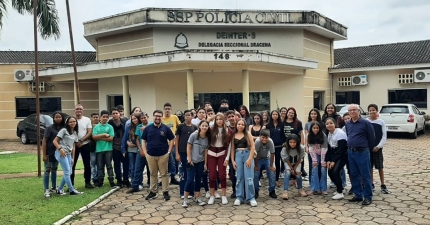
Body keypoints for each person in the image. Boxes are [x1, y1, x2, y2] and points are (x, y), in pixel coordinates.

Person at [345, 104, 375, 206]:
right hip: (351, 152)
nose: (352, 112)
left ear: (359, 111)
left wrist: (368, 150)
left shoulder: (365, 123)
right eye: (350, 110)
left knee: (365, 175)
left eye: (354, 110)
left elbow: (372, 138)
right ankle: (358, 195)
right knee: (354, 174)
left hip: (362, 152)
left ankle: (368, 197)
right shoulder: (348, 124)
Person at [142, 110, 175, 201]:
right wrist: (145, 153)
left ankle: (165, 192)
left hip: (163, 155)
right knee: (153, 174)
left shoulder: (166, 128)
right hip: (150, 155)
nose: (158, 118)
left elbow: (172, 139)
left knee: (164, 174)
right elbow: (143, 141)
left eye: (159, 116)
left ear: (161, 117)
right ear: (153, 117)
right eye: (156, 116)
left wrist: (169, 152)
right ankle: (153, 192)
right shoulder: (148, 129)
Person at [182, 120, 210, 207]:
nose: (204, 127)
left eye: (206, 126)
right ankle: (185, 199)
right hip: (192, 161)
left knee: (198, 179)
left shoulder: (207, 138)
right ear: (199, 126)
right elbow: (188, 147)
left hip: (200, 162)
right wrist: (189, 159)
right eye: (203, 126)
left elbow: (206, 151)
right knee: (190, 180)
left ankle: (197, 197)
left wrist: (205, 163)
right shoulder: (194, 135)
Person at [207, 113, 234, 205]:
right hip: (211, 153)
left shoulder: (228, 130)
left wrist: (227, 158)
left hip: (222, 154)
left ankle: (223, 196)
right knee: (212, 176)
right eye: (217, 119)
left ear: (224, 120)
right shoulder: (211, 130)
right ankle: (212, 195)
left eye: (220, 119)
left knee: (222, 175)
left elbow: (230, 145)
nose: (218, 121)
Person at [53, 116, 83, 195]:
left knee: (69, 172)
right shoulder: (63, 130)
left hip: (69, 154)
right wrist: (60, 149)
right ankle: (71, 190)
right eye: (71, 122)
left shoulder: (75, 133)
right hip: (61, 153)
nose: (73, 123)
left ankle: (59, 189)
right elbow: (55, 141)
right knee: (67, 172)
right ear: (67, 123)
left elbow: (73, 146)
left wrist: (73, 158)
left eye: (74, 121)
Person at [231, 119, 257, 207]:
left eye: (242, 124)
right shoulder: (233, 135)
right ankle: (239, 197)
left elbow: (253, 146)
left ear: (245, 125)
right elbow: (232, 149)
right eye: (239, 124)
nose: (240, 126)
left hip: (247, 154)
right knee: (239, 177)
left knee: (249, 177)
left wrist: (250, 159)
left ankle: (251, 198)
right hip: (238, 155)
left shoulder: (247, 134)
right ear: (236, 125)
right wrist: (233, 160)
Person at [366, 104, 389, 194]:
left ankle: (383, 184)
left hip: (378, 148)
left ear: (377, 111)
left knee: (380, 167)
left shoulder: (381, 122)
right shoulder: (366, 121)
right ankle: (371, 184)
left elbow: (384, 136)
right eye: (370, 110)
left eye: (373, 110)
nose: (372, 112)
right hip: (368, 148)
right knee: (369, 167)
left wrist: (378, 146)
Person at [175, 110, 198, 198]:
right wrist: (177, 153)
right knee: (183, 173)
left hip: (192, 153)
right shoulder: (181, 126)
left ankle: (191, 192)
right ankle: (182, 192)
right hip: (182, 152)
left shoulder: (194, 127)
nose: (187, 117)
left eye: (189, 115)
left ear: (192, 117)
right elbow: (177, 139)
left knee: (191, 173)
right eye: (186, 115)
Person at [42, 111, 64, 198]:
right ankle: (46, 189)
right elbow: (44, 141)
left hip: (58, 153)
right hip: (49, 152)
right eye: (56, 117)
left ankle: (54, 187)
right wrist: (44, 154)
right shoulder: (49, 128)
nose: (58, 119)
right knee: (47, 170)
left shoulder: (63, 128)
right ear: (54, 118)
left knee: (54, 169)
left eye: (60, 117)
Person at [325, 117, 348, 200]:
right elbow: (330, 149)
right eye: (327, 124)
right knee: (330, 172)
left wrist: (333, 161)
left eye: (331, 123)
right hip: (334, 155)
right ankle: (340, 187)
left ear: (335, 124)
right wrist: (328, 160)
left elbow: (340, 149)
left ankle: (340, 193)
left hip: (343, 155)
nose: (329, 125)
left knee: (335, 171)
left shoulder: (340, 133)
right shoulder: (329, 133)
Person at [71, 104, 93, 188]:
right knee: (72, 164)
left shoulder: (87, 120)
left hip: (85, 144)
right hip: (73, 145)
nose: (78, 110)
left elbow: (89, 132)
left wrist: (81, 140)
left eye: (80, 109)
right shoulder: (70, 119)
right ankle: (71, 183)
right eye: (77, 109)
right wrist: (75, 142)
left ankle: (87, 182)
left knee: (87, 164)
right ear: (74, 110)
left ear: (82, 111)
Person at [92, 110, 116, 188]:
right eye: (103, 117)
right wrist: (104, 135)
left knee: (109, 165)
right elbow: (94, 137)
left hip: (108, 149)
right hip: (99, 149)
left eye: (106, 117)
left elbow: (111, 138)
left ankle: (111, 181)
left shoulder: (110, 127)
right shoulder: (96, 127)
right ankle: (100, 181)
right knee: (100, 166)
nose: (105, 118)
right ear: (100, 117)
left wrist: (100, 137)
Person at [280, 134, 307, 199]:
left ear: (297, 142)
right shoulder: (284, 148)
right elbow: (286, 159)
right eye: (291, 142)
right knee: (287, 173)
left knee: (298, 173)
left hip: (297, 162)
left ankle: (300, 189)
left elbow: (301, 158)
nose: (292, 144)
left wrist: (295, 168)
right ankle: (285, 191)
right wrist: (291, 168)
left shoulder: (301, 148)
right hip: (288, 162)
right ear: (288, 142)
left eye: (294, 142)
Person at [108, 107, 129, 187]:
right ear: (111, 115)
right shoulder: (110, 123)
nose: (115, 115)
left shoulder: (125, 121)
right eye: (113, 113)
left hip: (124, 147)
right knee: (116, 164)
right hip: (114, 147)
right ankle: (119, 180)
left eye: (116, 113)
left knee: (126, 164)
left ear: (119, 114)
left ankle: (126, 179)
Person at [253, 129, 277, 199]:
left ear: (269, 137)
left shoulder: (270, 141)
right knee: (255, 174)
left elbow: (272, 153)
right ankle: (256, 191)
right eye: (262, 137)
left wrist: (271, 166)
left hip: (267, 158)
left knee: (272, 173)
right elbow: (255, 155)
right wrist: (256, 166)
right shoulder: (257, 142)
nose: (264, 139)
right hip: (258, 159)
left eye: (266, 138)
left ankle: (272, 191)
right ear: (260, 137)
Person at [162, 103, 181, 185]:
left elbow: (180, 126)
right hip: (163, 144)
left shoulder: (174, 117)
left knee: (174, 161)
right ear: (163, 109)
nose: (167, 110)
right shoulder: (161, 119)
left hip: (173, 143)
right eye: (166, 108)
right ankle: (165, 178)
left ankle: (173, 176)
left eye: (169, 109)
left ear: (171, 110)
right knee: (166, 162)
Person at [307, 122, 328, 195]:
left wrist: (322, 161)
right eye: (314, 128)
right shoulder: (309, 135)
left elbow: (324, 149)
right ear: (311, 128)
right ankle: (314, 188)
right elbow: (311, 148)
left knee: (323, 169)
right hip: (314, 154)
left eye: (317, 128)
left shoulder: (323, 135)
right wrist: (314, 160)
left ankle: (323, 188)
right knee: (314, 168)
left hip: (323, 154)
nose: (315, 129)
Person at [121, 112, 141, 188]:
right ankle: (133, 183)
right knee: (132, 167)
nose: (134, 120)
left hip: (139, 149)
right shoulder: (129, 127)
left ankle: (139, 183)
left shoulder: (141, 126)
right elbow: (124, 138)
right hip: (130, 150)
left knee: (138, 167)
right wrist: (123, 149)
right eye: (132, 119)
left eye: (135, 118)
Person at [89, 113, 99, 186]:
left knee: (99, 164)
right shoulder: (89, 127)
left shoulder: (101, 126)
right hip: (92, 148)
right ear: (91, 118)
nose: (95, 118)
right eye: (94, 117)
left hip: (100, 148)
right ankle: (94, 178)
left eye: (97, 117)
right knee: (93, 164)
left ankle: (99, 178)